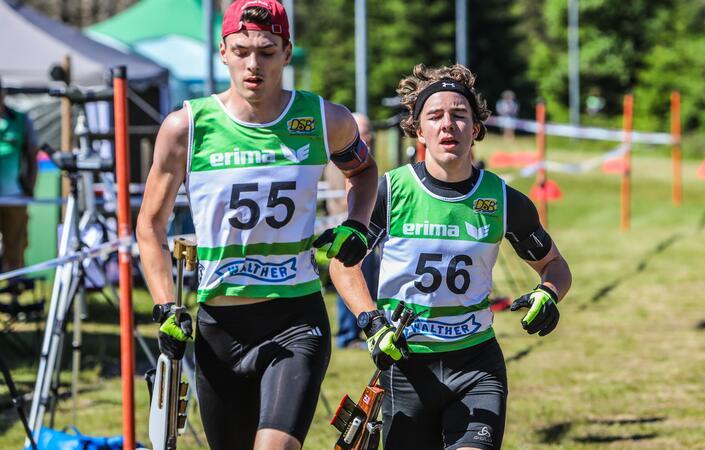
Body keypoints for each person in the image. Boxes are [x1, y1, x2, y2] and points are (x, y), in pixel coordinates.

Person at [136, 1, 377, 449]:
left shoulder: (324, 119)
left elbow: (363, 172)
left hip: (295, 319)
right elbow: (149, 227)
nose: (253, 64)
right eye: (242, 50)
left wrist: (357, 226)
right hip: (217, 327)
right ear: (223, 52)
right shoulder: (186, 127)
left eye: (267, 51)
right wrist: (166, 306)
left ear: (287, 53)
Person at [329, 64, 572, 449]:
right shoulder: (389, 192)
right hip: (406, 366)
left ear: (475, 129)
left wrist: (548, 293)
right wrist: (371, 321)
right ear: (417, 128)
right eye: (435, 116)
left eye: (460, 115)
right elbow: (343, 264)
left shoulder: (504, 200)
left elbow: (555, 265)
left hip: (476, 366)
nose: (448, 125)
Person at [323, 112, 378, 348]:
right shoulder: (339, 162)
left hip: (362, 228)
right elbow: (344, 198)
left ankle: (357, 332)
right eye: (364, 132)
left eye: (369, 132)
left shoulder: (363, 158)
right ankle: (347, 335)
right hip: (345, 228)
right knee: (348, 276)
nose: (369, 137)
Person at [0, 77, 37, 272]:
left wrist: (31, 185)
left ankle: (14, 295)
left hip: (14, 195)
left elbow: (32, 154)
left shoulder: (21, 120)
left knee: (15, 247)